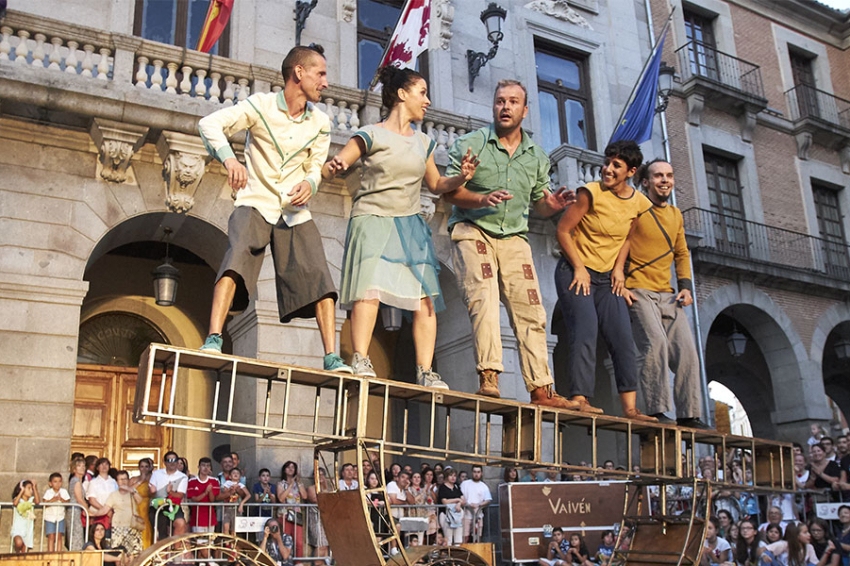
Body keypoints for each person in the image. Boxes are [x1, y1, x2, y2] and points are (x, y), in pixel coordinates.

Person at [196, 44, 351, 374]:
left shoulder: (321, 122)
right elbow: (209, 124)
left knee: (321, 276)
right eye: (320, 74)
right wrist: (229, 159)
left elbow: (314, 168)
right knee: (237, 256)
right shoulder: (261, 105)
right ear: (299, 72)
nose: (325, 82)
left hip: (293, 211)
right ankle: (213, 338)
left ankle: (331, 356)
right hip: (255, 200)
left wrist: (310, 184)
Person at [321, 65, 478, 386]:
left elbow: (435, 184)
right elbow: (342, 160)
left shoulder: (424, 142)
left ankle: (425, 370)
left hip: (409, 224)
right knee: (369, 290)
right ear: (402, 95)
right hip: (372, 219)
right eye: (422, 93)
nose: (428, 101)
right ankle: (361, 358)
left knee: (424, 298)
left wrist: (461, 177)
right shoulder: (371, 133)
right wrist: (335, 165)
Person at [443, 79, 575, 408]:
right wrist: (482, 197)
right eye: (500, 100)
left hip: (514, 235)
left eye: (513, 102)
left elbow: (538, 204)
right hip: (473, 228)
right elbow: (450, 192)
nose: (505, 106)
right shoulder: (471, 144)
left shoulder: (536, 157)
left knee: (531, 308)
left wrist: (553, 206)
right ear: (493, 106)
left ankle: (542, 389)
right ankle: (489, 375)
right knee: (484, 296)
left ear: (525, 111)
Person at [554, 140, 656, 421]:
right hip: (574, 271)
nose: (607, 169)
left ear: (631, 172)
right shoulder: (590, 193)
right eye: (607, 162)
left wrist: (620, 270)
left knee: (623, 338)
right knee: (586, 328)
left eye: (616, 166)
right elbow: (563, 231)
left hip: (607, 278)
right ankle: (580, 398)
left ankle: (631, 409)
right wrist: (579, 268)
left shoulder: (639, 203)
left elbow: (628, 238)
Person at [614, 159, 708, 428]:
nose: (664, 180)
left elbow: (681, 253)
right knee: (656, 345)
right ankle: (656, 410)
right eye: (658, 176)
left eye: (669, 175)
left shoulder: (676, 215)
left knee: (688, 352)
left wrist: (686, 287)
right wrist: (619, 278)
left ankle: (689, 414)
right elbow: (621, 243)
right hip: (639, 290)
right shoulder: (637, 209)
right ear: (646, 182)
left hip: (668, 294)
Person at [97, 470, 143, 558]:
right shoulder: (113, 495)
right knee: (118, 554)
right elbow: (105, 509)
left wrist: (132, 491)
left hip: (133, 527)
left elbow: (140, 501)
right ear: (117, 482)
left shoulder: (133, 492)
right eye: (120, 479)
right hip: (118, 528)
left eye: (125, 479)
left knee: (134, 555)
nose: (123, 481)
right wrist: (92, 514)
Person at [149, 451, 188, 541]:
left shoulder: (183, 476)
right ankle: (163, 553)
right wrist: (152, 491)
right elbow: (151, 492)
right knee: (161, 534)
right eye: (169, 460)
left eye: (174, 460)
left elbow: (180, 495)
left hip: (173, 505)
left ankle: (175, 548)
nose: (172, 462)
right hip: (158, 506)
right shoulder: (156, 474)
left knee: (181, 523)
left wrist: (170, 492)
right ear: (165, 462)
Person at [277, 460, 308, 559]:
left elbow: (305, 496)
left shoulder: (299, 484)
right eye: (288, 467)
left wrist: (298, 483)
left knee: (299, 542)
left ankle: (298, 563)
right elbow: (281, 498)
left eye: (293, 467)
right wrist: (290, 485)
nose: (291, 469)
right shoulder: (281, 484)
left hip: (296, 515)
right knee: (285, 539)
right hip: (284, 515)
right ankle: (285, 561)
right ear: (284, 470)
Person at [187, 457, 220, 537]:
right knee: (200, 542)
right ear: (199, 467)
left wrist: (210, 491)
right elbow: (194, 499)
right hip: (197, 517)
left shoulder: (214, 481)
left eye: (208, 466)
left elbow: (212, 500)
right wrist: (205, 492)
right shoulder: (192, 481)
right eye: (203, 465)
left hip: (210, 517)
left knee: (210, 541)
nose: (206, 468)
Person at [86, 457, 118, 535]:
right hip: (98, 514)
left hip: (112, 515)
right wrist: (105, 510)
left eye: (106, 464)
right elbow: (92, 500)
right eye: (101, 464)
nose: (104, 466)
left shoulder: (113, 482)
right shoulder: (93, 482)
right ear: (97, 467)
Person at [460, 465, 491, 543]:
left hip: (478, 516)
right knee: (465, 538)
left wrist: (479, 505)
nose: (476, 474)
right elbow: (460, 496)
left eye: (478, 472)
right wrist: (467, 504)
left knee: (477, 538)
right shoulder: (465, 484)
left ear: (481, 473)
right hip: (466, 515)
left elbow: (488, 500)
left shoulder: (484, 486)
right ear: (472, 472)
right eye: (474, 472)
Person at [306, 468, 331, 560]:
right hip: (316, 519)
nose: (320, 476)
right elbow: (315, 500)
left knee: (326, 545)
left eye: (322, 474)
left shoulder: (328, 487)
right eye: (318, 474)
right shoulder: (311, 488)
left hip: (327, 519)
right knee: (320, 545)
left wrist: (325, 487)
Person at [43, 471, 71, 552]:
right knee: (51, 536)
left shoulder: (64, 492)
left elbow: (68, 502)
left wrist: (61, 499)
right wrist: (53, 499)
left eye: (59, 481)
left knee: (59, 536)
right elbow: (45, 503)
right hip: (50, 517)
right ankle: (50, 552)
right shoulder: (48, 492)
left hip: (60, 517)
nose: (57, 484)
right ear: (50, 483)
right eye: (55, 482)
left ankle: (58, 552)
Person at [437, 467, 465, 545]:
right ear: (447, 477)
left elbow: (463, 500)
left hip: (457, 514)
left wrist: (459, 503)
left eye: (454, 476)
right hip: (446, 514)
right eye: (451, 475)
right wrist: (457, 500)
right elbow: (444, 501)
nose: (453, 478)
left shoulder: (456, 487)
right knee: (448, 539)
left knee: (458, 539)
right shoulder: (442, 487)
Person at [219, 467, 251, 536]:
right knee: (226, 527)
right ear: (230, 476)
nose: (235, 474)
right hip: (227, 508)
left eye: (237, 473)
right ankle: (227, 544)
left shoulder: (241, 485)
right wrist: (230, 490)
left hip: (236, 509)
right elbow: (224, 491)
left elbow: (248, 495)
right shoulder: (227, 483)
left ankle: (233, 545)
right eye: (233, 473)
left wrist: (242, 503)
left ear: (240, 476)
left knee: (234, 529)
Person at [11, 479, 40, 553]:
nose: (31, 491)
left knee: (25, 552)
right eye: (28, 488)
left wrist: (35, 488)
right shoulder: (19, 500)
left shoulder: (31, 500)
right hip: (18, 529)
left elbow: (37, 501)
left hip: (27, 529)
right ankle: (16, 552)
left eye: (31, 489)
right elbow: (15, 503)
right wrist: (21, 491)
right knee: (18, 542)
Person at [131, 458, 153, 549]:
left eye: (146, 467)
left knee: (147, 530)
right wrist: (140, 481)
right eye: (142, 466)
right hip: (136, 507)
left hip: (147, 507)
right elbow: (128, 490)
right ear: (139, 468)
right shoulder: (133, 479)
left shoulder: (152, 478)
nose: (144, 469)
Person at [69, 457, 89, 551]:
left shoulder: (78, 481)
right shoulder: (75, 481)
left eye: (83, 466)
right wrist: (88, 511)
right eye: (79, 466)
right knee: (76, 535)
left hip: (77, 511)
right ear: (74, 469)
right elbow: (79, 499)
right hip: (75, 511)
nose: (82, 468)